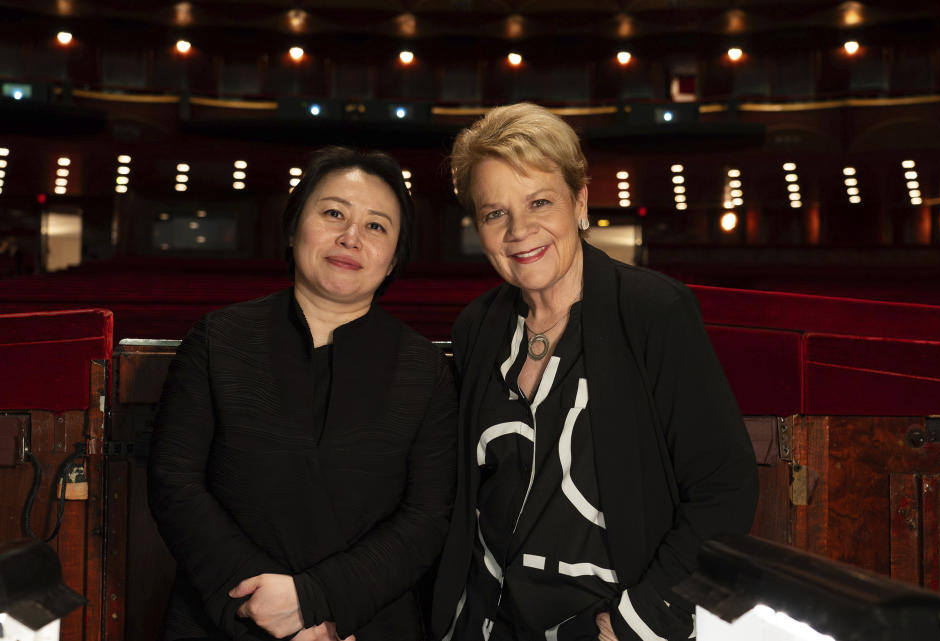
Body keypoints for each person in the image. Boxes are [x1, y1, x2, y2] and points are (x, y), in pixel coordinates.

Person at [431, 103, 758, 641]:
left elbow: (724, 488)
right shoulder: (477, 326)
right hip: (485, 624)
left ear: (580, 201)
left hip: (605, 624)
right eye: (495, 213)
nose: (519, 230)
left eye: (540, 202)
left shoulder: (654, 310)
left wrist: (636, 620)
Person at [149, 146, 458, 641]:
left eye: (376, 226)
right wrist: (270, 607)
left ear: (395, 256)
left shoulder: (425, 369)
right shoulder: (218, 339)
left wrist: (319, 603)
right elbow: (175, 484)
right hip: (228, 617)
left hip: (363, 623)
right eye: (334, 213)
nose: (350, 237)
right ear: (294, 228)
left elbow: (428, 517)